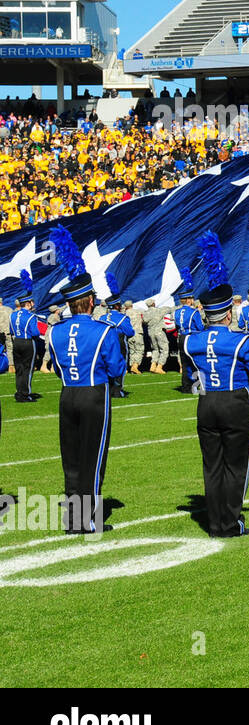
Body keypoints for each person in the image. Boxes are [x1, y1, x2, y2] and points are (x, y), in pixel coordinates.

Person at [184, 233, 249, 538]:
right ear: (229, 313)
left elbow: (194, 376)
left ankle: (215, 521)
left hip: (205, 402)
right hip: (234, 402)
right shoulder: (240, 340)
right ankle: (230, 523)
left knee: (212, 464)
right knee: (235, 465)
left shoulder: (191, 341)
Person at [45, 226, 126, 534]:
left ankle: (72, 518)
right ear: (90, 301)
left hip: (67, 395)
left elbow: (55, 367)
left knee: (72, 459)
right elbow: (117, 368)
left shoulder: (56, 331)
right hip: (94, 395)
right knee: (93, 457)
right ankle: (88, 520)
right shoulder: (103, 329)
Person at [98, 275, 134, 399]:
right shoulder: (122, 318)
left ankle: (108, 389)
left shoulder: (102, 318)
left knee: (106, 364)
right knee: (120, 364)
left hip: (104, 342)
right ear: (117, 305)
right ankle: (118, 390)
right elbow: (130, 332)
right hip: (118, 341)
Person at [8, 271, 40, 403]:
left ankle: (19, 392)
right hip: (27, 342)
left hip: (16, 342)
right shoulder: (31, 316)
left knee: (19, 369)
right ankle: (25, 394)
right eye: (31, 302)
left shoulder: (12, 315)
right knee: (28, 368)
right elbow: (35, 333)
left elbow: (11, 330)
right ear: (28, 303)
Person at [174, 272, 204, 394]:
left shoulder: (177, 312)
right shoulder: (193, 312)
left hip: (181, 337)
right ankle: (196, 386)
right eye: (191, 298)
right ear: (188, 300)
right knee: (195, 362)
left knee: (185, 363)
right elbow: (200, 327)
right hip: (191, 337)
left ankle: (186, 387)